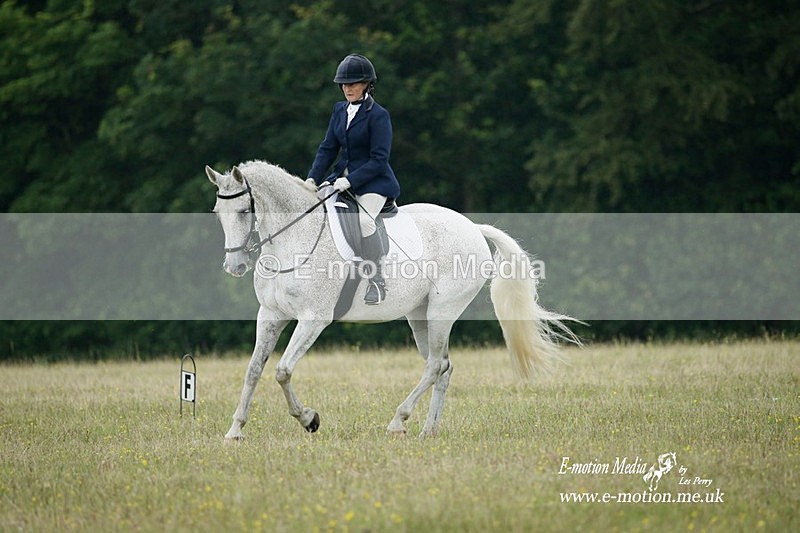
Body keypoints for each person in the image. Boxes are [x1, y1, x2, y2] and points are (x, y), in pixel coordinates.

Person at [306, 53, 401, 305]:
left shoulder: (379, 115)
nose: (347, 88)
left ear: (367, 85)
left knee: (364, 222)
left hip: (373, 183)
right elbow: (328, 148)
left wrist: (351, 181)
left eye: (354, 83)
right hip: (340, 178)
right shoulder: (339, 110)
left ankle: (377, 281)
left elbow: (379, 159)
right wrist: (312, 179)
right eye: (344, 84)